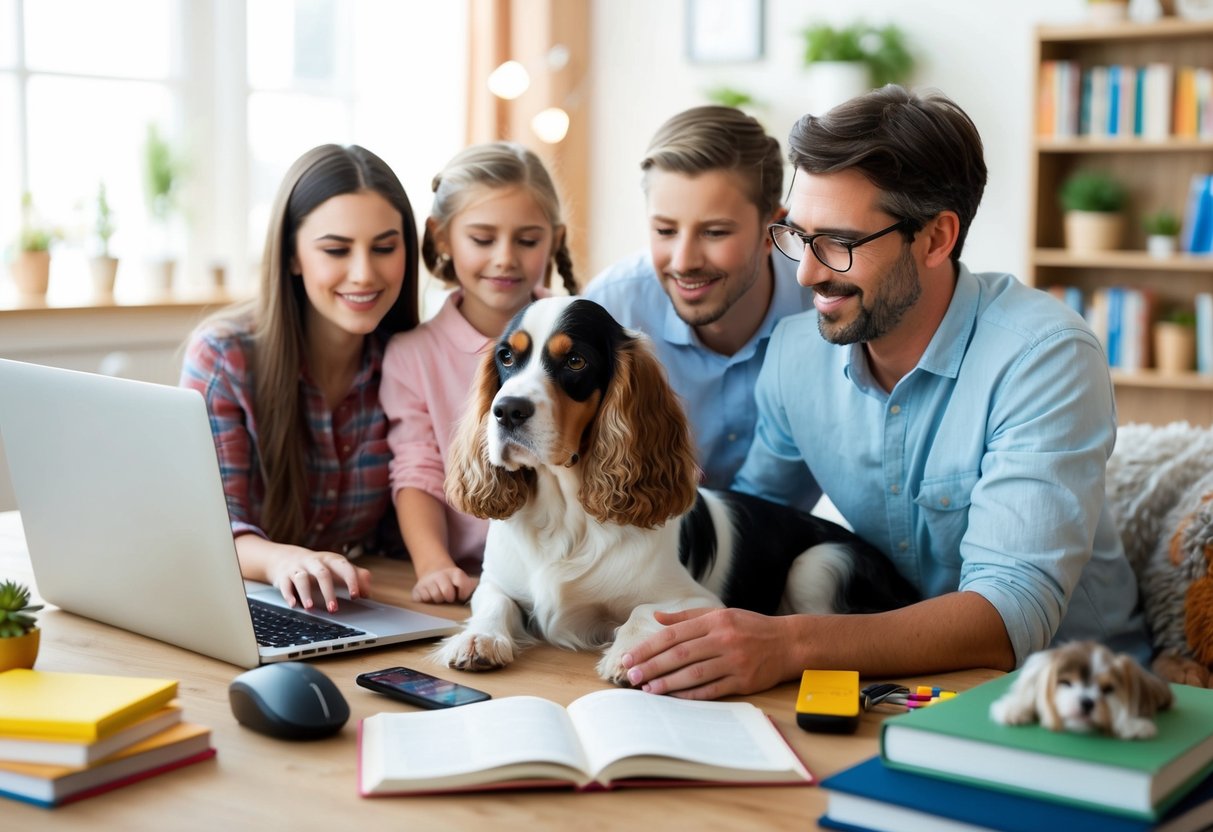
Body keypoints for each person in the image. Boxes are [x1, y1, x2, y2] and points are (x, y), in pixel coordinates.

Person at [619, 86, 1150, 699]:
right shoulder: (796, 355)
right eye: (797, 235)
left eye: (839, 243)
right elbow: (753, 525)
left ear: (935, 239)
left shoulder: (1044, 357)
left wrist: (789, 644)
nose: (806, 273)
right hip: (909, 685)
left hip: (1083, 694)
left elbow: (1012, 613)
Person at [181, 144, 419, 614]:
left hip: (358, 604)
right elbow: (211, 525)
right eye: (336, 249)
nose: (363, 273)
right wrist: (281, 560)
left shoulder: (411, 360)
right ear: (292, 255)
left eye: (385, 248)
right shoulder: (224, 356)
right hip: (244, 603)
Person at [582, 106, 817, 508]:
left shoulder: (821, 302)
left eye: (714, 232)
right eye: (665, 230)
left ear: (771, 231)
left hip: (782, 544)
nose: (684, 260)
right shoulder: (610, 310)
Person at [380, 141, 576, 605]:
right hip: (475, 581)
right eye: (483, 239)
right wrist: (434, 565)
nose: (505, 257)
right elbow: (417, 470)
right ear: (443, 237)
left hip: (572, 573)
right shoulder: (412, 355)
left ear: (555, 239)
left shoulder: (578, 345)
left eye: (527, 241)